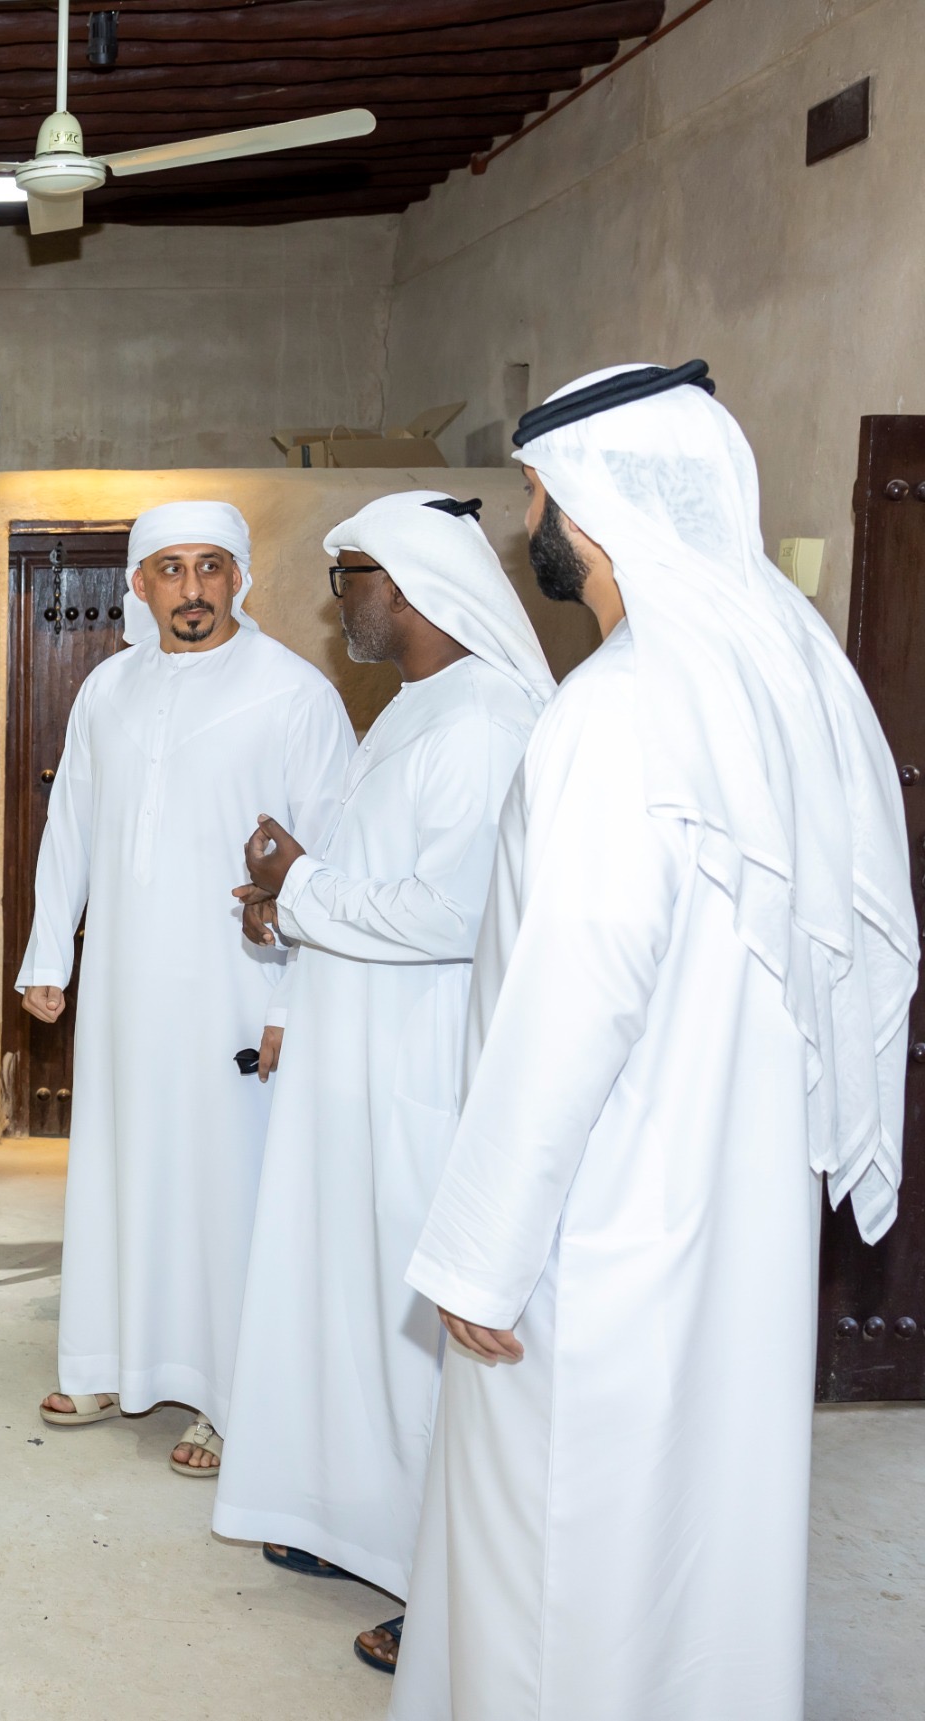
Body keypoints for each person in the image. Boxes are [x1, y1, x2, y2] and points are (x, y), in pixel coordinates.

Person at [392, 364, 916, 1720]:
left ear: (595, 499)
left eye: (536, 493)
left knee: (556, 1555)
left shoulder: (617, 710)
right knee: (703, 1537)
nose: (528, 520)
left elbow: (571, 995)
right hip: (737, 1202)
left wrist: (481, 1247)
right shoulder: (790, 670)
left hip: (601, 1212)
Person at [208, 493, 553, 1676]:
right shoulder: (414, 707)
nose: (334, 596)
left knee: (417, 1335)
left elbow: (450, 915)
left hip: (421, 1068)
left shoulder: (489, 724)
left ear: (403, 584)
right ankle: (351, 1517)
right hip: (352, 1056)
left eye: (345, 573)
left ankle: (440, 1577)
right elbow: (360, 878)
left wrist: (298, 884)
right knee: (346, 1297)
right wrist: (286, 906)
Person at [18, 500, 353, 1476]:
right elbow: (70, 825)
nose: (194, 588)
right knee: (121, 1160)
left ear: (240, 577)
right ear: (136, 583)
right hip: (125, 985)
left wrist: (295, 999)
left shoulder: (294, 693)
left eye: (212, 566)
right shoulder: (106, 691)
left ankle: (225, 1393)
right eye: (170, 568)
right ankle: (104, 1356)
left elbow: (329, 857)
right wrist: (49, 953)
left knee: (225, 1180)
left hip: (238, 988)